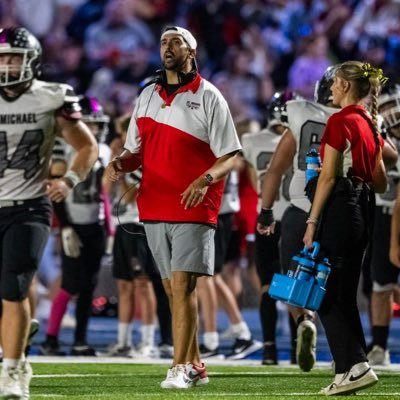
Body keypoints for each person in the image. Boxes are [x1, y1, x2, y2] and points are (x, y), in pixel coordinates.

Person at [105, 26, 241, 389]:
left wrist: (204, 180)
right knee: (171, 290)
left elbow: (231, 156)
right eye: (164, 41)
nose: (168, 47)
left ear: (191, 51)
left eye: (176, 41)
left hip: (194, 204)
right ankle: (196, 365)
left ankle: (178, 367)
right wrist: (119, 163)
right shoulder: (147, 95)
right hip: (153, 205)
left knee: (181, 288)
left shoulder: (210, 95)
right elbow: (134, 151)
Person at [0, 27, 98, 399]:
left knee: (15, 286)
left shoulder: (51, 97)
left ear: (32, 62)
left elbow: (86, 148)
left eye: (13, 58)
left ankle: (11, 370)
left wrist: (69, 180)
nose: (7, 66)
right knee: (7, 292)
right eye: (2, 58)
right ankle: (18, 344)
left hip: (28, 206)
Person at [303, 61, 388, 395]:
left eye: (335, 84)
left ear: (343, 84)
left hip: (339, 211)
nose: (332, 89)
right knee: (344, 295)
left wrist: (312, 221)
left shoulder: (340, 120)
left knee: (326, 294)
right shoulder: (370, 122)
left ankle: (358, 365)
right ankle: (346, 370)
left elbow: (327, 176)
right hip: (363, 211)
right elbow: (379, 182)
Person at [257, 66, 340, 372]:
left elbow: (275, 169)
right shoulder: (353, 120)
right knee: (337, 284)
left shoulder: (301, 116)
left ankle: (305, 320)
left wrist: (266, 212)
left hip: (298, 208)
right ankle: (340, 352)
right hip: (337, 212)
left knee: (293, 280)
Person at [39, 95, 110, 357]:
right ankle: (51, 339)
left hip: (96, 223)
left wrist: (109, 227)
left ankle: (80, 340)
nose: (95, 130)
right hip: (74, 223)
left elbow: (104, 194)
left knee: (89, 285)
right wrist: (66, 226)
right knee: (70, 283)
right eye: (90, 124)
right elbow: (55, 190)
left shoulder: (103, 150)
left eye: (97, 125)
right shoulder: (63, 146)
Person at [102, 114, 173, 358]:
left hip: (140, 226)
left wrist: (120, 167)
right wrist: (114, 162)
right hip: (122, 225)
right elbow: (105, 187)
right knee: (123, 285)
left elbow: (129, 196)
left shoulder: (143, 158)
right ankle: (123, 342)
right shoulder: (123, 158)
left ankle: (147, 342)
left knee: (143, 284)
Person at [241, 90, 298, 365]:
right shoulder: (300, 136)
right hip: (293, 217)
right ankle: (299, 346)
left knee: (267, 285)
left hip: (266, 217)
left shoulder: (252, 141)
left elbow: (255, 182)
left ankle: (269, 349)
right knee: (293, 285)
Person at [367, 84, 400, 365]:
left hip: (393, 212)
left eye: (393, 107)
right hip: (380, 213)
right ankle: (379, 344)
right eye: (386, 107)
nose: (391, 113)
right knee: (379, 283)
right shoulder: (378, 135)